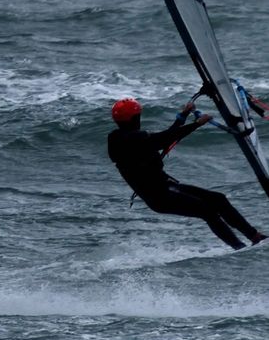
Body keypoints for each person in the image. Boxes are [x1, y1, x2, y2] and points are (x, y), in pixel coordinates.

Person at [107, 96, 267, 250]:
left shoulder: (120, 138)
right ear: (135, 118)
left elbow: (165, 138)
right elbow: (163, 140)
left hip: (166, 189)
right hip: (160, 196)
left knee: (218, 199)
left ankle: (254, 236)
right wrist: (196, 124)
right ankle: (239, 247)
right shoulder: (129, 139)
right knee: (207, 210)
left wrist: (183, 116)